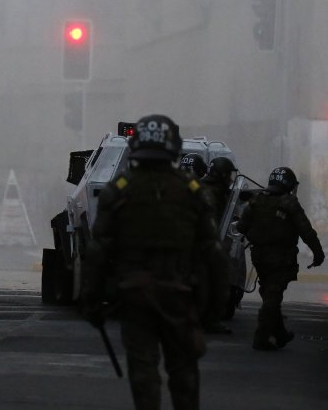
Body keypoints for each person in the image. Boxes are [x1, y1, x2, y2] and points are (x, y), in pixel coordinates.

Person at [81, 114, 228, 410]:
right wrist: (216, 307)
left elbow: (98, 251)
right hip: (180, 295)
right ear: (173, 148)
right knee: (184, 370)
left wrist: (91, 300)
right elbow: (213, 253)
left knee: (143, 369)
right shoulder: (192, 191)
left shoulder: (118, 190)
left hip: (135, 296)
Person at [236, 166, 325, 351]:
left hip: (259, 257)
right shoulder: (289, 202)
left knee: (269, 292)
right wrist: (318, 252)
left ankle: (280, 333)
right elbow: (305, 230)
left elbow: (242, 227)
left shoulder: (256, 200)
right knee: (272, 296)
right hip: (281, 258)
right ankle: (261, 338)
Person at [198, 156, 238, 334]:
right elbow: (210, 220)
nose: (230, 179)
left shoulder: (214, 190)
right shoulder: (210, 193)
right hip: (206, 245)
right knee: (216, 283)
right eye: (228, 174)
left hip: (204, 245)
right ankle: (209, 320)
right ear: (221, 174)